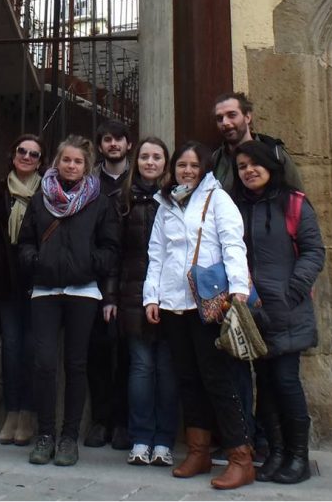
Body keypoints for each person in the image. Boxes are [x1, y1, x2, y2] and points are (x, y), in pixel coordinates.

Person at [143, 141, 254, 490]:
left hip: (209, 303)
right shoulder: (166, 203)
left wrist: (239, 288)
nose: (187, 171)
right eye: (181, 166)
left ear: (203, 169)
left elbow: (233, 244)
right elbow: (156, 254)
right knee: (187, 379)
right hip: (174, 305)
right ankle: (198, 451)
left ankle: (240, 457)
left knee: (218, 379)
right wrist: (152, 296)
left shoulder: (217, 199)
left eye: (193, 165)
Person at [18, 135, 120, 467]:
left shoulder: (99, 202)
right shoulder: (39, 199)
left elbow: (110, 247)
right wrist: (36, 262)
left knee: (76, 365)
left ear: (86, 166)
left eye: (77, 161)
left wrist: (89, 264)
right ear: (57, 162)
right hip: (45, 290)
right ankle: (45, 434)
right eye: (66, 160)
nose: (71, 166)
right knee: (44, 362)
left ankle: (68, 438)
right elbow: (26, 242)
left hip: (83, 291)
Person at [231, 140, 325, 484]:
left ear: (270, 167)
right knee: (266, 385)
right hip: (254, 313)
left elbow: (314, 250)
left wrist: (292, 290)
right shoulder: (236, 206)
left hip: (287, 310)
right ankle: (277, 453)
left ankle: (298, 456)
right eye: (241, 166)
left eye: (253, 164)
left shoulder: (294, 202)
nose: (248, 171)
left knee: (286, 382)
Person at [102, 136, 179, 467]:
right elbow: (113, 251)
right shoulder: (123, 199)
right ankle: (140, 437)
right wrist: (110, 295)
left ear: (166, 163)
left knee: (166, 369)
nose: (150, 162)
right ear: (137, 161)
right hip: (133, 293)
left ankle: (164, 440)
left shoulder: (178, 200)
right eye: (145, 156)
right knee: (141, 368)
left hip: (172, 294)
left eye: (157, 157)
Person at [0, 134, 46, 446]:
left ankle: (29, 413)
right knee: (12, 349)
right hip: (5, 283)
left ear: (41, 161)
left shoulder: (48, 192)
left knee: (33, 349)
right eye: (22, 151)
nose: (27, 157)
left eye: (34, 154)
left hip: (37, 281)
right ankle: (12, 411)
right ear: (13, 154)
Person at [86, 119, 133, 450]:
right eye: (107, 139)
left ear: (128, 144)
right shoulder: (90, 184)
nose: (113, 144)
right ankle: (99, 420)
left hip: (133, 278)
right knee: (97, 355)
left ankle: (122, 421)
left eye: (118, 139)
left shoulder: (141, 178)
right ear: (100, 146)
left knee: (129, 355)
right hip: (95, 275)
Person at [211, 92, 303, 194]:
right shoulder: (216, 159)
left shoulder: (274, 153)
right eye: (219, 118)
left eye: (232, 115)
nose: (225, 123)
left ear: (247, 117)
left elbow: (298, 200)